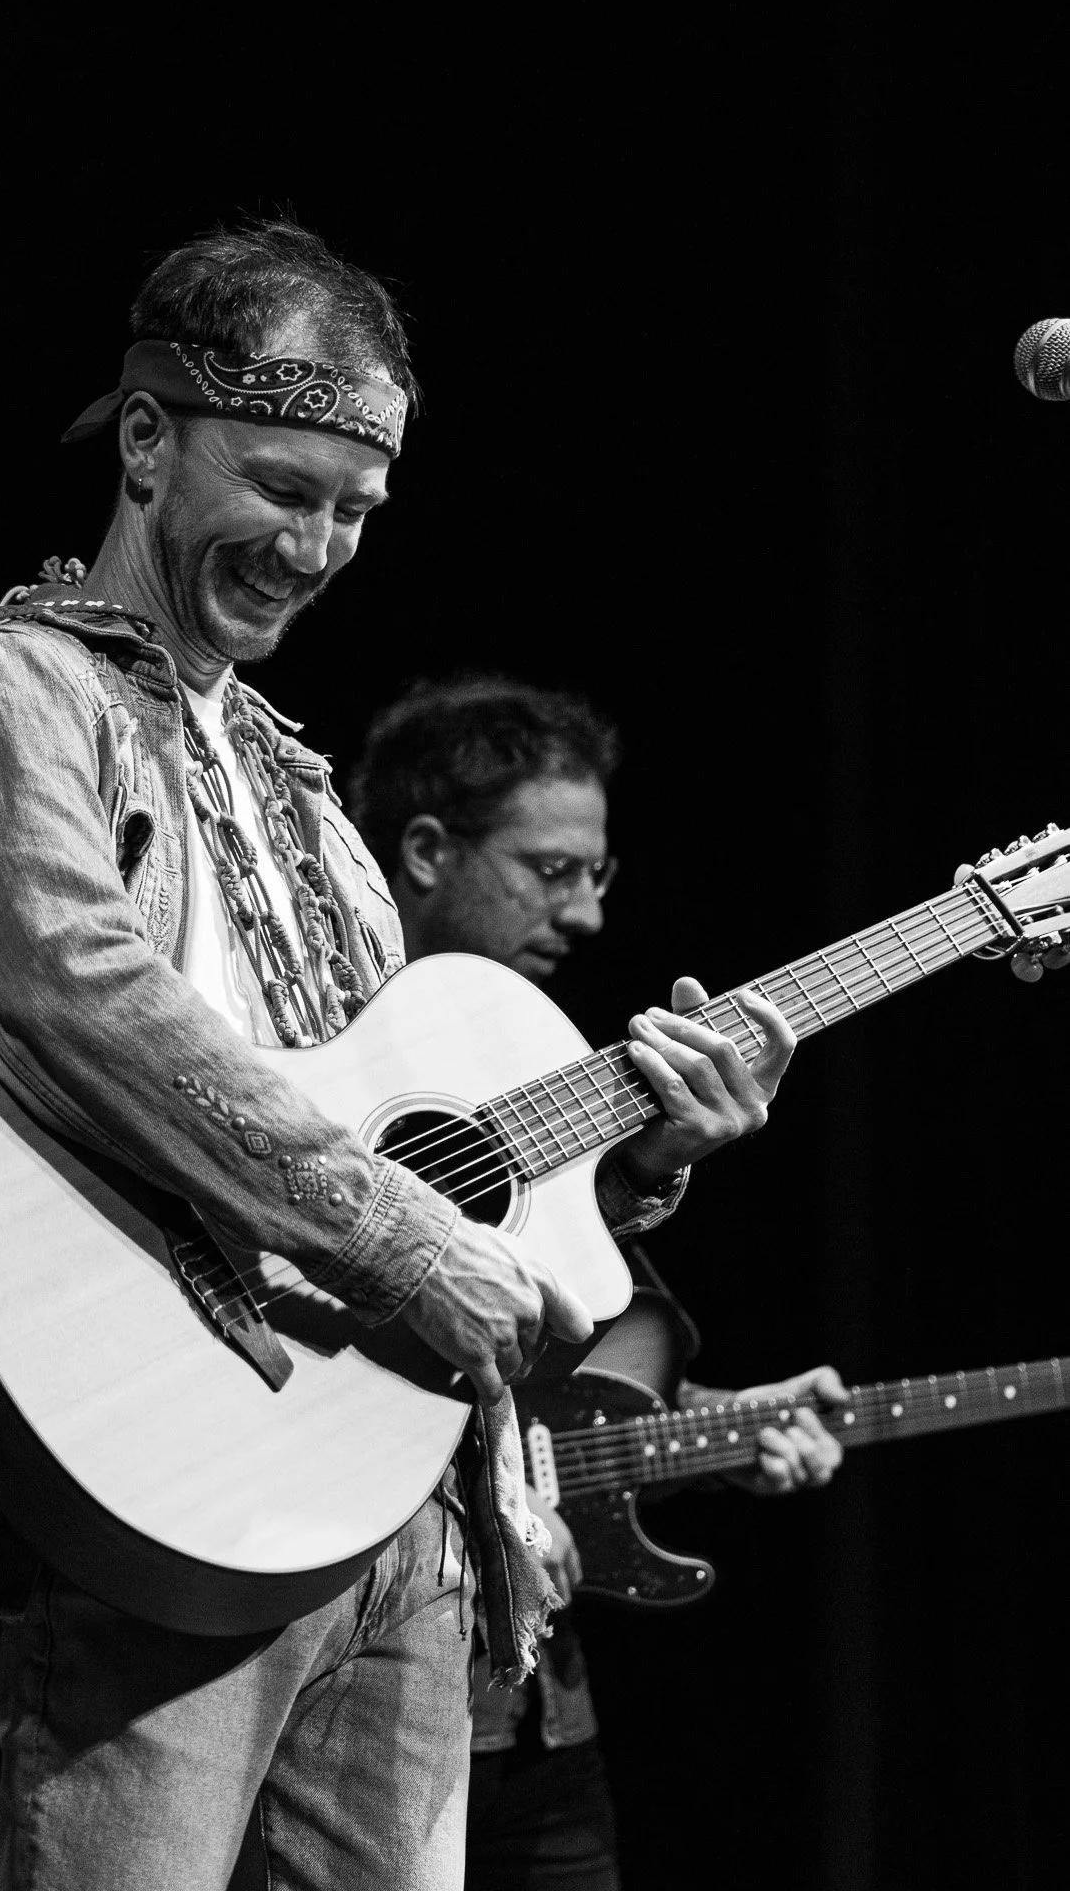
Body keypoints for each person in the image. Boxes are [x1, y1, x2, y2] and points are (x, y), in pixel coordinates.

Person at [0, 221, 797, 1891]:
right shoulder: (22, 683)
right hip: (172, 1467)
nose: (319, 543)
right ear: (148, 440)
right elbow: (81, 993)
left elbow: (415, 1137)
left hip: (399, 1486)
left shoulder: (304, 793)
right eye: (288, 486)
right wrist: (376, 1225)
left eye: (357, 510)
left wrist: (649, 1150)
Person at [349, 674, 847, 1891]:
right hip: (358, 1696)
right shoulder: (329, 1075)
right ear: (424, 849)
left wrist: (726, 1423)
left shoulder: (545, 1084)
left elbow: (553, 1368)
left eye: (600, 875)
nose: (584, 912)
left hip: (538, 1713)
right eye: (550, 867)